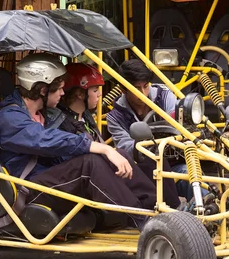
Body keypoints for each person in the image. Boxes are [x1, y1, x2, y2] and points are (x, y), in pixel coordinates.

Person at [0, 53, 157, 229]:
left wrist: (108, 153)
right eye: (58, 88)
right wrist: (100, 148)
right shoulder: (10, 117)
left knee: (119, 154)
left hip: (50, 178)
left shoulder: (41, 113)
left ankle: (156, 208)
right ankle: (143, 222)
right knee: (91, 163)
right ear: (43, 90)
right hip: (29, 189)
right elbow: (43, 139)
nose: (62, 93)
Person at [57, 62, 181, 208]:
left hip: (175, 156)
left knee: (161, 167)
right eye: (96, 90)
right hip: (90, 176)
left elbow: (178, 126)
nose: (100, 94)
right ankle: (161, 210)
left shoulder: (85, 116)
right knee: (146, 162)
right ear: (80, 94)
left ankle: (171, 209)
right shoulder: (65, 122)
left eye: (146, 86)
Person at [106, 59, 208, 205]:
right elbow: (126, 148)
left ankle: (208, 206)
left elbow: (178, 125)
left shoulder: (164, 95)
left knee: (190, 176)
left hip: (173, 164)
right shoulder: (115, 116)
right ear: (123, 90)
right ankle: (176, 213)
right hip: (142, 171)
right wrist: (149, 143)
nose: (143, 93)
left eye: (146, 86)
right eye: (136, 89)